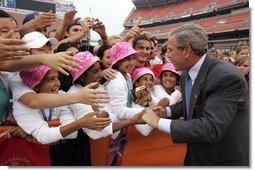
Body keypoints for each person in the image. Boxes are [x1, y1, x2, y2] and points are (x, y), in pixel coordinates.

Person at [142, 23, 249, 166]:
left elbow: (210, 127)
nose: (168, 55)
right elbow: (190, 104)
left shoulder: (226, 77)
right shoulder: (186, 71)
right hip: (196, 155)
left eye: (170, 50)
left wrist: (157, 122)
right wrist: (166, 111)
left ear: (187, 51)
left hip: (222, 160)